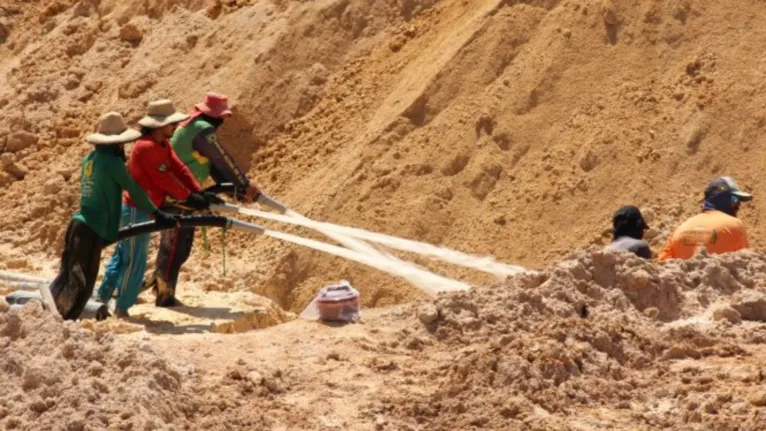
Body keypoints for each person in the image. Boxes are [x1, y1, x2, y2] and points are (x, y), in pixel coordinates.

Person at [47, 112, 178, 320]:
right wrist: (157, 212)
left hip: (78, 223)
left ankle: (54, 312)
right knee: (82, 283)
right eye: (121, 144)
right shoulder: (112, 163)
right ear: (116, 144)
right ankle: (63, 319)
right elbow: (133, 189)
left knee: (68, 275)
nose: (123, 149)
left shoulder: (88, 159)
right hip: (92, 227)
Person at [144, 92, 262, 307]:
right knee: (176, 245)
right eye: (221, 119)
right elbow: (223, 160)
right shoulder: (202, 129)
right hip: (178, 195)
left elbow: (214, 168)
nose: (221, 123)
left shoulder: (192, 127)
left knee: (177, 245)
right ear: (215, 117)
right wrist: (244, 185)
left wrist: (236, 191)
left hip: (184, 195)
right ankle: (164, 295)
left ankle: (161, 288)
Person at [96, 100, 212, 317]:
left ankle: (102, 296)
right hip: (136, 210)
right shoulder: (146, 147)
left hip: (145, 208)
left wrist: (198, 191)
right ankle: (122, 306)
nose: (174, 127)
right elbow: (163, 178)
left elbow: (178, 168)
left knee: (123, 255)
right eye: (171, 124)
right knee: (135, 260)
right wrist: (188, 197)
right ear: (159, 126)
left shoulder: (163, 145)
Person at [658, 176, 752, 261]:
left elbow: (661, 265)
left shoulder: (680, 229)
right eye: (735, 199)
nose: (739, 205)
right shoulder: (735, 225)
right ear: (721, 199)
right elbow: (745, 264)